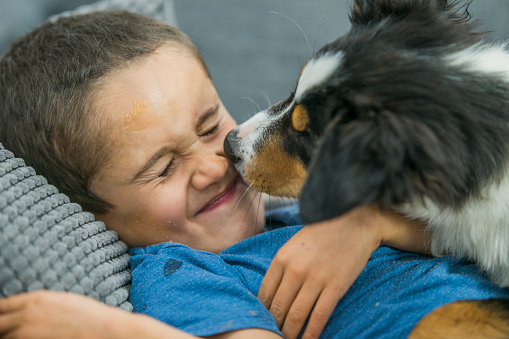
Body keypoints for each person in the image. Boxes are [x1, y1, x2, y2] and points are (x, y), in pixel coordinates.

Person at [0, 10, 507, 339]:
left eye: (209, 125)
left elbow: (463, 235)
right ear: (92, 215)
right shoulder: (180, 273)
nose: (214, 163)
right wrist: (111, 333)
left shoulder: (319, 196)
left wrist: (366, 225)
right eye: (163, 168)